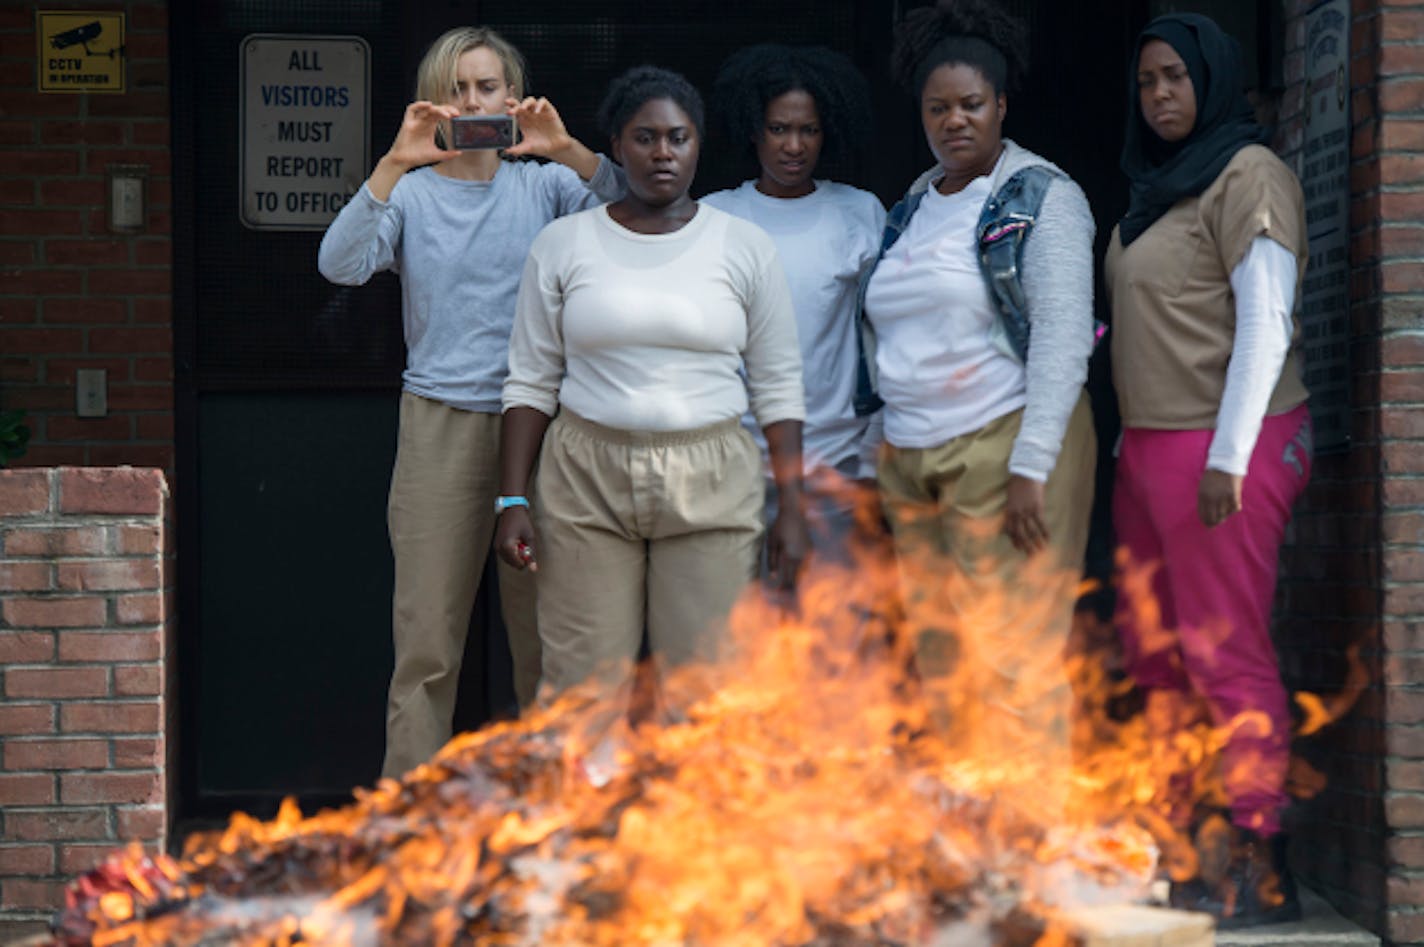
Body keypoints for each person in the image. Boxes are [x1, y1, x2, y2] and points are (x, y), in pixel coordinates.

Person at [317, 26, 625, 780]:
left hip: (544, 425)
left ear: (513, 95)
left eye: (488, 87)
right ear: (433, 100)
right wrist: (395, 160)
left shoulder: (544, 184)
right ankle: (412, 826)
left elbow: (640, 205)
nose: (473, 101)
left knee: (548, 640)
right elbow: (340, 262)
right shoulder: (413, 192)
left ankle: (549, 816)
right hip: (439, 424)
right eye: (457, 88)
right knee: (426, 642)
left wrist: (566, 148)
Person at [494, 66, 808, 701]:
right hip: (586, 475)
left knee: (705, 694)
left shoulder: (743, 246)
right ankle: (585, 804)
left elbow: (777, 384)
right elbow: (530, 380)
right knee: (583, 690)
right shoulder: (563, 244)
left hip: (713, 475)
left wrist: (793, 506)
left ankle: (692, 807)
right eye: (645, 138)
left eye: (678, 138)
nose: (662, 153)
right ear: (616, 144)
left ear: (699, 144)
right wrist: (511, 500)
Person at [863, 0, 1098, 819]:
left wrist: (1034, 461)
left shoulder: (1042, 195)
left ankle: (1034, 848)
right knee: (945, 660)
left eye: (971, 104)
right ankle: (973, 854)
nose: (954, 120)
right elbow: (892, 334)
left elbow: (1066, 333)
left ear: (1002, 105)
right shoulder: (915, 201)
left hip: (1005, 444)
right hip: (914, 456)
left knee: (1012, 657)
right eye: (938, 107)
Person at [1106, 12, 1311, 927]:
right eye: (1147, 81)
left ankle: (1262, 865)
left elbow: (1267, 322)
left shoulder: (1248, 173)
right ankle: (1190, 854)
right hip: (1149, 447)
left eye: (1175, 79)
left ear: (1212, 82)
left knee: (1225, 654)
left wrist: (1228, 456)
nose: (1159, 97)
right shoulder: (1152, 188)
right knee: (1158, 664)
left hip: (1228, 443)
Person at [700, 45, 886, 570]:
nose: (795, 146)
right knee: (742, 646)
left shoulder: (859, 212)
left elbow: (885, 339)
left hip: (836, 470)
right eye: (779, 129)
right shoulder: (716, 217)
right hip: (731, 472)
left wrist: (873, 454)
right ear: (753, 129)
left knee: (834, 645)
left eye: (809, 130)